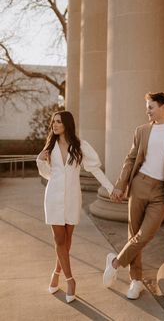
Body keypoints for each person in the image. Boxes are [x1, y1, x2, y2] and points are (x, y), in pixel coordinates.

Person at [103, 92, 164, 299]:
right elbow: (130, 159)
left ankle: (115, 263)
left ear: (163, 106)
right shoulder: (141, 131)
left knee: (146, 234)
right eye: (147, 107)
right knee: (133, 234)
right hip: (139, 184)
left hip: (162, 192)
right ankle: (136, 280)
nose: (147, 111)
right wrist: (120, 185)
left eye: (151, 107)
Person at [36, 110, 114, 303]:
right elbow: (48, 175)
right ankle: (70, 280)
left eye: (58, 122)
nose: (54, 125)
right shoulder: (50, 147)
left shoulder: (80, 146)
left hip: (72, 198)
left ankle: (56, 271)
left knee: (68, 239)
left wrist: (111, 188)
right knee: (59, 239)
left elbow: (94, 169)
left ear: (67, 125)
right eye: (53, 122)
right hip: (53, 198)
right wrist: (40, 161)